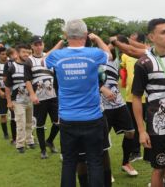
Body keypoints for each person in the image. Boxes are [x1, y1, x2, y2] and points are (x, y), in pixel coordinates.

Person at [44, 19, 110, 187]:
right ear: (86, 35)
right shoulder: (94, 54)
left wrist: (60, 43)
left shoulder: (58, 56)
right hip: (92, 118)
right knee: (95, 162)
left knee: (69, 163)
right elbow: (108, 54)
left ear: (67, 36)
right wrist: (98, 40)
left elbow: (45, 59)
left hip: (68, 119)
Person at [132, 18, 165, 187]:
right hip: (157, 127)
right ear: (151, 37)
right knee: (159, 167)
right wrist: (141, 131)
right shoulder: (143, 63)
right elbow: (136, 97)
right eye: (163, 32)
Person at [101, 45, 138, 176]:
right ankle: (104, 169)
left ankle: (125, 163)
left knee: (131, 132)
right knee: (102, 139)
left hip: (119, 104)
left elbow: (112, 47)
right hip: (103, 107)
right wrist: (103, 89)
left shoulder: (115, 61)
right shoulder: (94, 62)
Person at [25, 35, 59, 159]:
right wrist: (32, 94)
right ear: (32, 46)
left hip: (53, 96)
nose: (39, 46)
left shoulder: (50, 58)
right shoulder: (29, 61)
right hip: (39, 97)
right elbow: (27, 80)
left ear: (43, 45)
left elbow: (56, 76)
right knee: (40, 124)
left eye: (40, 44)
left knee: (58, 122)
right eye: (36, 44)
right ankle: (43, 150)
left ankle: (49, 141)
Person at [5, 44, 35, 153]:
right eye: (24, 52)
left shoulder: (29, 66)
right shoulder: (12, 67)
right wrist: (8, 101)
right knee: (21, 122)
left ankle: (30, 141)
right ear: (17, 53)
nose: (26, 54)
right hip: (17, 101)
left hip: (29, 99)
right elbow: (7, 87)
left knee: (29, 122)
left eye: (28, 52)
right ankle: (20, 144)